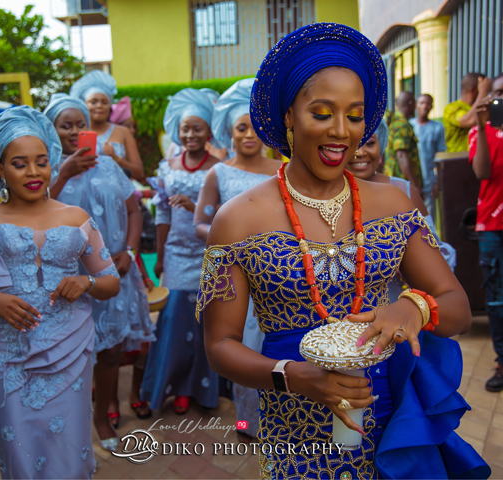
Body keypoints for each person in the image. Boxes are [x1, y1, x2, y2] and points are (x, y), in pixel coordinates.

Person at [196, 23, 489, 479]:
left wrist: (413, 307)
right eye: (322, 112)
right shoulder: (238, 220)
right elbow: (219, 345)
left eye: (355, 116)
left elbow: (457, 310)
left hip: (391, 420)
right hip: (296, 427)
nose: (340, 132)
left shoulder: (393, 204)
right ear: (289, 114)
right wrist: (293, 376)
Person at [0, 106, 121, 479]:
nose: (33, 173)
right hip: (6, 360)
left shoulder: (76, 217)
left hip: (71, 354)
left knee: (71, 454)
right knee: (21, 459)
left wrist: (86, 282)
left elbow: (110, 281)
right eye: (19, 163)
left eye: (41, 162)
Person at [47, 93, 155, 452]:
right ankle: (73, 420)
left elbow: (135, 210)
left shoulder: (108, 164)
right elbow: (34, 214)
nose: (76, 132)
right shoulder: (44, 168)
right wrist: (63, 174)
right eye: (67, 126)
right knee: (72, 354)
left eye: (81, 125)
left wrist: (129, 250)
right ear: (52, 130)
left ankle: (102, 417)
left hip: (115, 271)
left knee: (110, 351)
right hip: (67, 279)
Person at [192, 78, 281, 441]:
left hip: (278, 275)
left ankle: (281, 420)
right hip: (235, 279)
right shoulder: (218, 172)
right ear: (229, 131)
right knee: (241, 347)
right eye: (241, 127)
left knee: (275, 345)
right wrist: (230, 242)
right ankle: (246, 424)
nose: (249, 135)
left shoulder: (282, 169)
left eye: (255, 127)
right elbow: (200, 222)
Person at [141, 88, 222, 416]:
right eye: (185, 128)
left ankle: (196, 389)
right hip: (175, 254)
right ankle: (171, 386)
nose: (190, 134)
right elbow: (161, 215)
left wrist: (194, 207)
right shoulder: (167, 167)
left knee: (204, 321)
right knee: (173, 320)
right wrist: (160, 255)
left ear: (209, 131)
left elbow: (228, 216)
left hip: (207, 253)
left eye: (197, 128)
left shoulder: (219, 168)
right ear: (178, 130)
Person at [347, 119, 457, 301]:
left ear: (381, 146)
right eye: (353, 144)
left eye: (370, 143)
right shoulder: (324, 197)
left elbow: (437, 258)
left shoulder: (404, 192)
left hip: (400, 313)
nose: (360, 152)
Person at [469, 73, 503, 392]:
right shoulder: (480, 131)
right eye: (497, 94)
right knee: (497, 299)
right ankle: (502, 362)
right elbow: (482, 172)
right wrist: (481, 126)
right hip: (492, 227)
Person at [69, 71, 145, 182]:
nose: (99, 106)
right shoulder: (76, 133)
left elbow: (139, 173)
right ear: (84, 104)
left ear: (110, 106)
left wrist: (117, 159)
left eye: (104, 102)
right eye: (93, 102)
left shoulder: (123, 132)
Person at [409, 94, 447, 220]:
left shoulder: (437, 127)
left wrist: (437, 181)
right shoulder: (409, 126)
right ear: (416, 105)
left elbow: (440, 156)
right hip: (411, 180)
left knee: (429, 218)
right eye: (421, 103)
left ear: (432, 107)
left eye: (428, 103)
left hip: (429, 181)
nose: (424, 106)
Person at [383, 91, 422, 192]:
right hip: (402, 183)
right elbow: (401, 156)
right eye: (415, 104)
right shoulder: (402, 125)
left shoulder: (395, 122)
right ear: (410, 104)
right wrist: (414, 185)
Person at [443, 73, 490, 152]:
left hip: (479, 158)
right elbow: (470, 120)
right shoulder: (451, 108)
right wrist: (483, 92)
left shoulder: (484, 107)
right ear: (472, 90)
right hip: (459, 159)